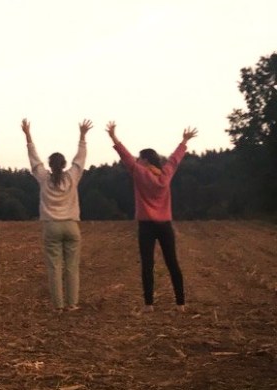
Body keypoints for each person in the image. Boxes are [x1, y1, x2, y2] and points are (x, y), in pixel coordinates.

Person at [107, 121, 196, 312]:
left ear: (146, 161)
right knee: (172, 263)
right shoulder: (166, 175)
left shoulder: (139, 173)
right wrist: (184, 141)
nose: (137, 160)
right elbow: (174, 160)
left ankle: (148, 304)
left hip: (146, 226)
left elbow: (125, 157)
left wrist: (113, 137)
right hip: (165, 225)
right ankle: (180, 303)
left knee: (147, 264)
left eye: (140, 158)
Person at [23, 118, 90, 312]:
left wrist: (28, 135)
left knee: (54, 267)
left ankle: (58, 306)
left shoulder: (44, 178)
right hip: (71, 225)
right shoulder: (72, 176)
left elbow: (34, 159)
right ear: (64, 164)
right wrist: (82, 136)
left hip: (51, 225)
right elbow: (80, 158)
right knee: (72, 267)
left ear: (50, 165)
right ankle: (72, 303)